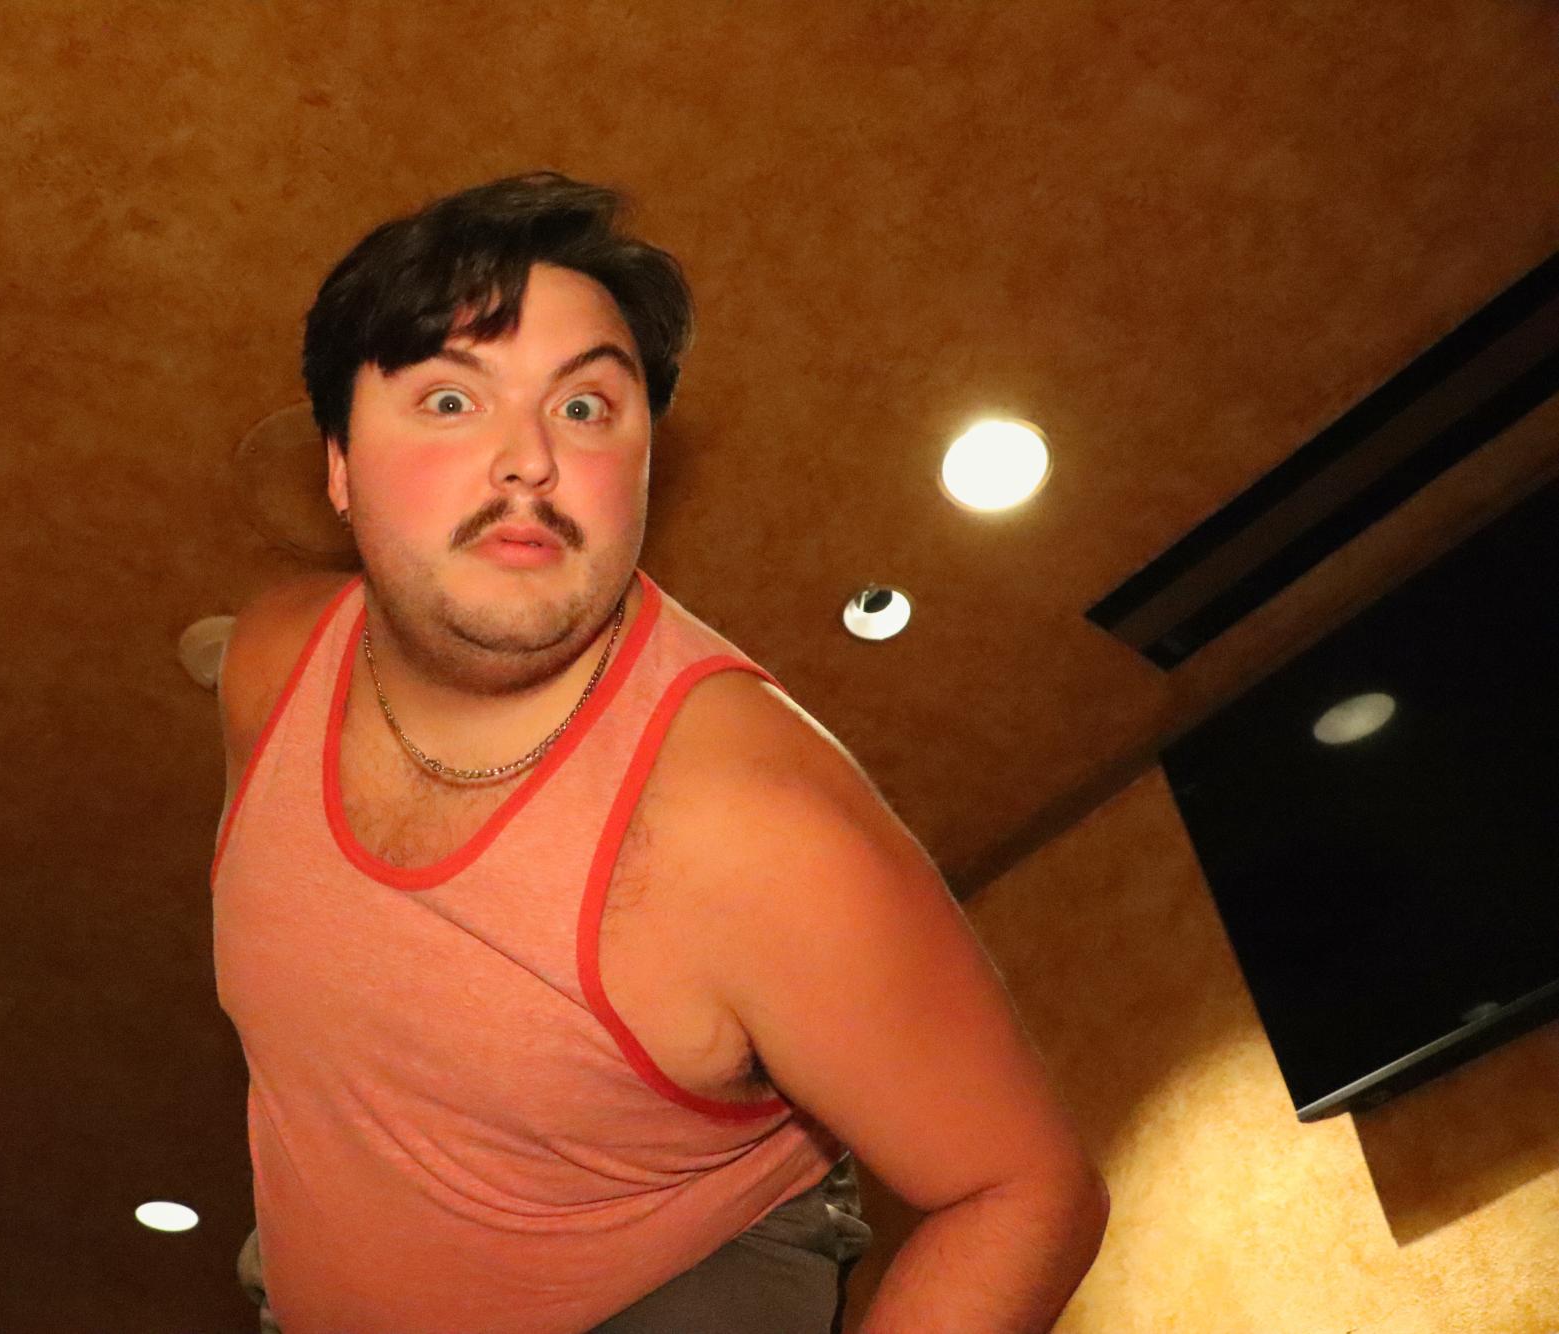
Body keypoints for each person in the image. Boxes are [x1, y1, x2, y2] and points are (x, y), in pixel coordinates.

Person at [210, 171, 1109, 1333]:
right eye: (450, 398)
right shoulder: (272, 659)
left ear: (643, 460)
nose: (529, 458)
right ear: (338, 464)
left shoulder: (756, 832)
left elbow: (1027, 1190)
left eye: (586, 406)